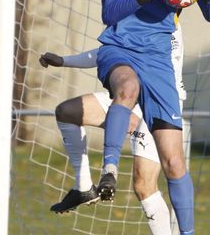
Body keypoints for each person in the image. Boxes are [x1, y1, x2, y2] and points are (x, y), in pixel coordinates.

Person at [96, 0, 210, 235]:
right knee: (127, 87)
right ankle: (108, 169)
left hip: (158, 61)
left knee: (175, 161)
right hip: (119, 47)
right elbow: (110, 11)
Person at [41, 21, 186, 235]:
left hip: (158, 103)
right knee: (67, 112)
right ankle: (83, 188)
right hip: (127, 97)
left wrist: (134, 113)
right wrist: (64, 61)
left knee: (143, 185)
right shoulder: (136, 9)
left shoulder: (165, 21)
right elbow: (107, 52)